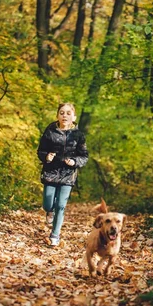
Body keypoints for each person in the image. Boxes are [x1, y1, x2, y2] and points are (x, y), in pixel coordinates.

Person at [37, 103, 89, 246]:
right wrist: (46, 157)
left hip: (68, 174)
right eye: (61, 113)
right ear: (57, 116)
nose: (64, 115)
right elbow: (41, 150)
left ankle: (55, 235)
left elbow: (84, 156)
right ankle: (49, 211)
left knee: (61, 205)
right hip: (51, 172)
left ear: (74, 117)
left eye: (68, 113)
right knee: (48, 204)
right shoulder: (50, 131)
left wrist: (74, 162)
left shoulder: (78, 135)